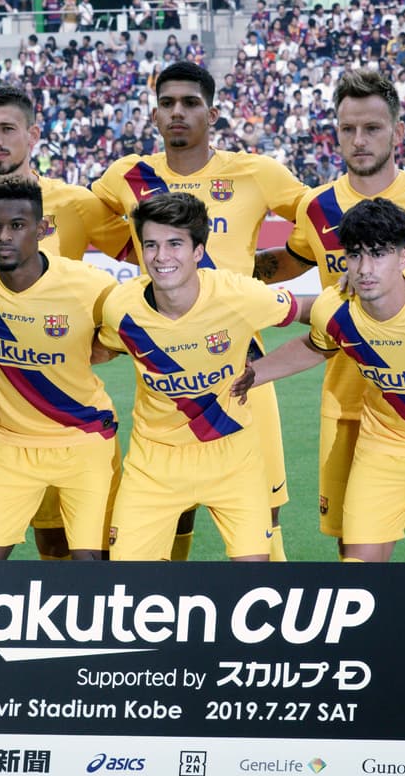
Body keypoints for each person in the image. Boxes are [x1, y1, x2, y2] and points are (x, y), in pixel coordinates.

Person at [92, 62, 405, 562]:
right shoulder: (125, 176)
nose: (177, 112)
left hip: (243, 364)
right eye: (167, 103)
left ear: (212, 113)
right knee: (170, 508)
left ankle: (270, 602)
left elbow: (336, 212)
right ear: (154, 114)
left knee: (263, 507)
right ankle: (168, 605)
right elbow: (73, 217)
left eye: (190, 102)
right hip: (163, 362)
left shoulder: (256, 173)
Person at [253, 69, 405, 561]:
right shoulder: (317, 206)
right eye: (348, 129)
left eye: (372, 128)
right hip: (347, 402)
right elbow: (288, 263)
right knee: (356, 544)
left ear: (397, 132)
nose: (359, 140)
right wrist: (205, 271)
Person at [237, 198, 405, 563]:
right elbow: (318, 346)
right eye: (355, 255)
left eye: (378, 254)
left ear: (404, 258)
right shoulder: (335, 306)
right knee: (359, 573)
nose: (365, 268)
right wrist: (250, 376)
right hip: (382, 447)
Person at [0, 86, 129, 560]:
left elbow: (146, 255)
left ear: (34, 134)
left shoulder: (76, 202)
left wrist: (102, 344)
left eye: (7, 129)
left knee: (57, 534)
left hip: (57, 403)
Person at [97, 193, 306, 561]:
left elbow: (316, 313)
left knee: (256, 579)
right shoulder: (120, 307)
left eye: (175, 244)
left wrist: (263, 370)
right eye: (151, 245)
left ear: (198, 251)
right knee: (127, 581)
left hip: (232, 456)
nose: (161, 256)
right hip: (154, 462)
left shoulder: (237, 294)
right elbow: (105, 348)